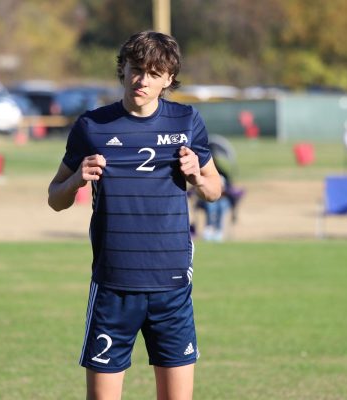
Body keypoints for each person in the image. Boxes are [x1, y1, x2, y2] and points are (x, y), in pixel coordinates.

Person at [47, 31, 222, 400]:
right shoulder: (92, 126)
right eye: (136, 69)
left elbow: (214, 189)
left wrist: (196, 175)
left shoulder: (187, 121)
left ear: (169, 80)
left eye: (154, 73)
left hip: (171, 286)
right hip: (114, 286)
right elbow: (55, 198)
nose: (142, 80)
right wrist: (78, 178)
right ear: (122, 69)